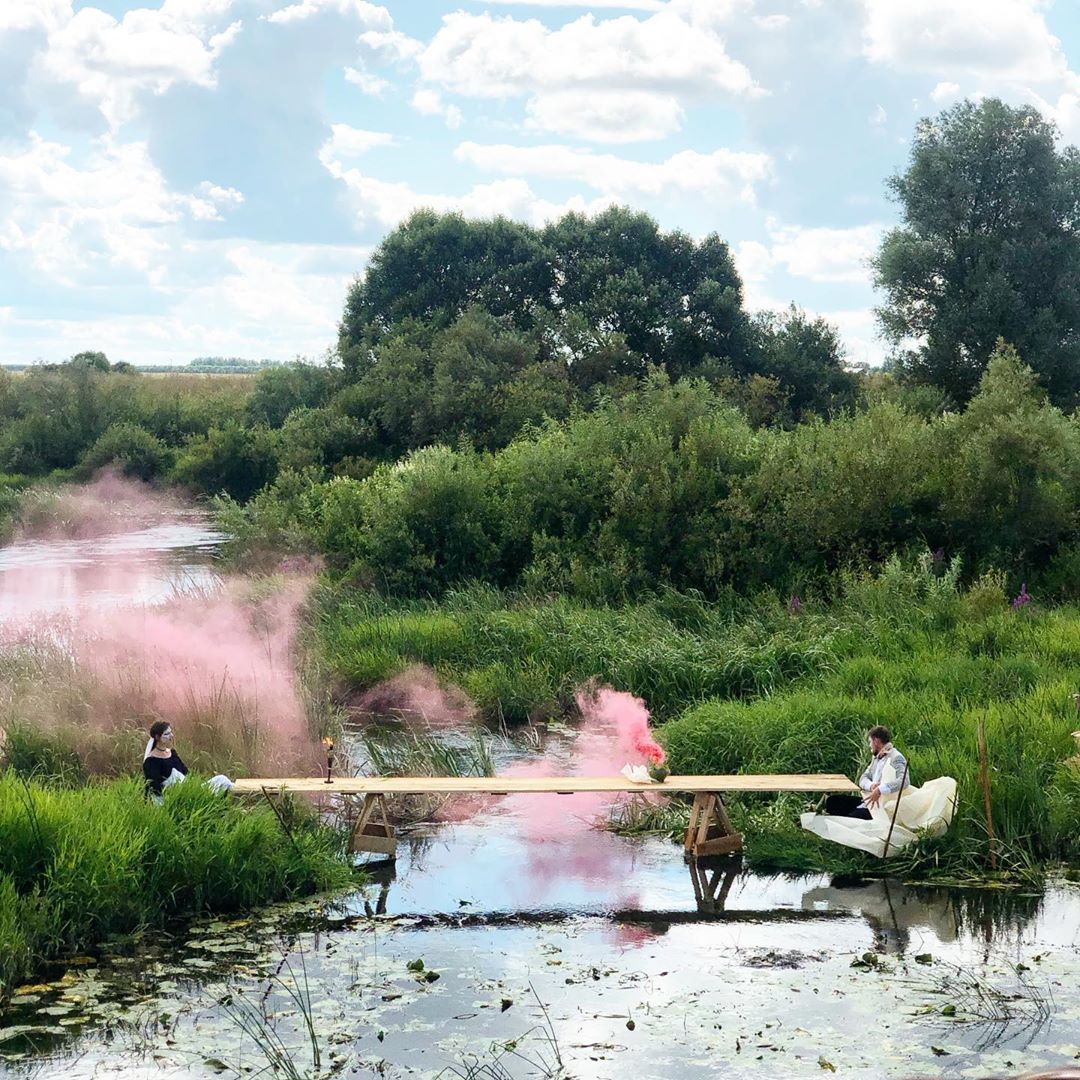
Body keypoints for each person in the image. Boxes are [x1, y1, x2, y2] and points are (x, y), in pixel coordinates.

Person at [824, 725, 910, 819]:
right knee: (832, 802)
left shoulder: (896, 757)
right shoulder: (876, 758)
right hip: (868, 800)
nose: (870, 746)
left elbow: (904, 781)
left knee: (851, 818)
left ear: (876, 741)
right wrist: (871, 786)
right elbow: (863, 778)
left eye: (870, 742)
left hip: (881, 806)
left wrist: (880, 789)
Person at [142, 721, 233, 803]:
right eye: (167, 734)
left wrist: (190, 786)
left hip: (187, 790)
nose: (171, 736)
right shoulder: (151, 761)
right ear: (157, 737)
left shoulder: (172, 753)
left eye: (171, 732)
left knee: (222, 780)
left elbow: (185, 771)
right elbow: (154, 786)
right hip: (174, 796)